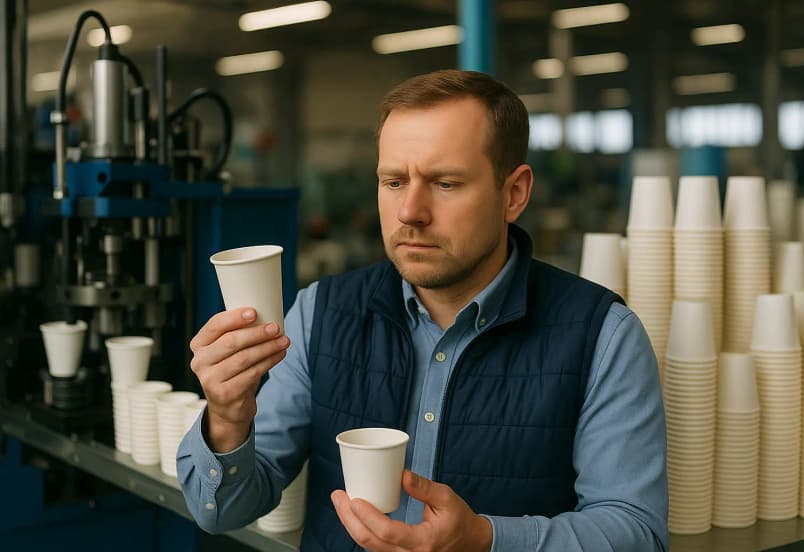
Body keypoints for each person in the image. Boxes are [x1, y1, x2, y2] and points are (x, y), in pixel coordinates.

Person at [178, 69, 668, 551]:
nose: (410, 211)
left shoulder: (602, 336)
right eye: (394, 181)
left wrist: (487, 540)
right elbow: (222, 511)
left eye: (445, 183)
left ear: (514, 194)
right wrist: (227, 419)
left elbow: (636, 533)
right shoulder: (320, 314)